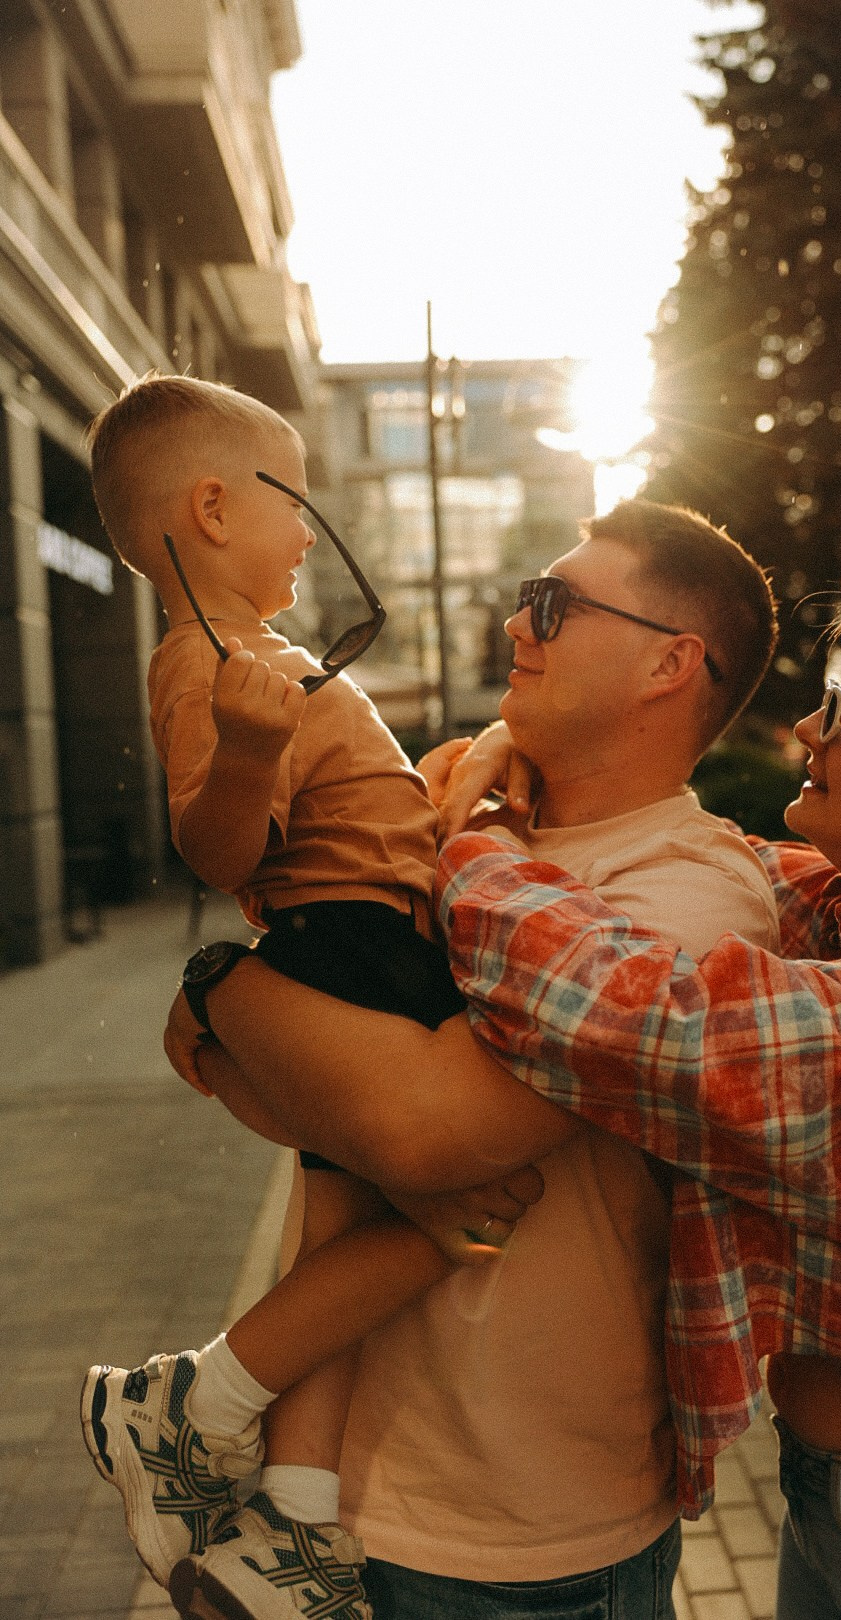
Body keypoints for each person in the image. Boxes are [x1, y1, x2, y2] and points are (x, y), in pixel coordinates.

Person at [169, 593, 841, 1619]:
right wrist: (521, 749)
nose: (808, 729)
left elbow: (621, 1005)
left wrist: (482, 821)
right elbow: (713, 862)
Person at [167, 497, 782, 1620]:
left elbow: (419, 1132)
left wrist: (220, 991)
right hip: (327, 1500)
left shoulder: (695, 897)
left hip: (525, 1545)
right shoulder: (452, 820)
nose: (518, 627)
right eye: (523, 603)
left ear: (671, 663)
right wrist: (242, 1019)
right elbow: (295, 1097)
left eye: (554, 602)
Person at [80, 373, 487, 1620]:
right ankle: (187, 1408)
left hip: (355, 946)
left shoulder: (255, 653)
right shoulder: (208, 662)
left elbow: (343, 805)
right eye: (294, 503)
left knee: (340, 1241)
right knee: (449, 1221)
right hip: (356, 958)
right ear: (213, 507)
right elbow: (218, 851)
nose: (310, 530)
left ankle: (292, 1528)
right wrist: (252, 749)